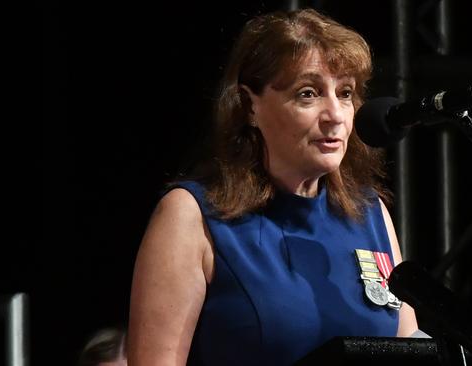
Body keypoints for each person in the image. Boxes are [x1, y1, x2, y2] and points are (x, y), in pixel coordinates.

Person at [127, 8, 419, 366]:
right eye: (308, 93)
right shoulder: (191, 216)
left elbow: (412, 351)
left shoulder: (370, 214)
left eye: (345, 93)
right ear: (250, 105)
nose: (336, 115)